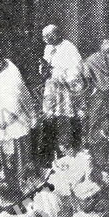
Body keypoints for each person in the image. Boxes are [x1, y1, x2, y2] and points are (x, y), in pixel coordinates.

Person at [0, 46, 38, 192]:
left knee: (19, 152)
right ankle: (9, 178)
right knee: (5, 150)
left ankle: (23, 182)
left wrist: (6, 122)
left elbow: (16, 103)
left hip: (14, 119)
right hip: (1, 114)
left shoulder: (13, 75)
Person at [40, 24, 84, 158]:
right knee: (49, 118)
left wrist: (56, 73)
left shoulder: (69, 49)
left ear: (57, 34)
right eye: (44, 37)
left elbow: (76, 72)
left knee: (65, 121)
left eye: (49, 36)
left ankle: (68, 154)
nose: (46, 39)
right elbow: (45, 65)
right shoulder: (48, 48)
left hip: (66, 92)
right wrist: (43, 69)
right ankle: (51, 156)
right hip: (51, 89)